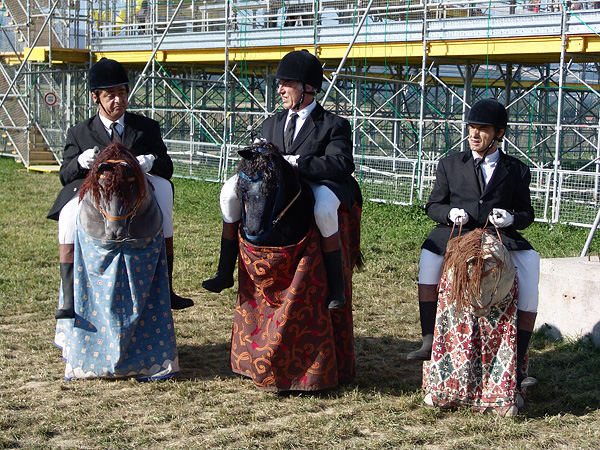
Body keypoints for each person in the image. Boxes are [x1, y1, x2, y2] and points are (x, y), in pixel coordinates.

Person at [202, 49, 361, 310]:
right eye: (280, 84)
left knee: (322, 209)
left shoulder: (334, 124)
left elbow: (342, 164)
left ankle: (336, 287)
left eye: (286, 84)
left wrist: (297, 162)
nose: (280, 90)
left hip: (319, 182)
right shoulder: (270, 124)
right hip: (281, 185)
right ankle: (224, 271)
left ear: (307, 88)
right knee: (230, 191)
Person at [407, 98, 540, 389]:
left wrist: (511, 218)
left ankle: (517, 361)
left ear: (499, 134)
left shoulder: (516, 170)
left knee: (531, 265)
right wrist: (448, 213)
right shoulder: (450, 164)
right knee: (428, 261)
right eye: (471, 128)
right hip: (456, 233)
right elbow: (433, 205)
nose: (474, 135)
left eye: (482, 129)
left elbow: (527, 213)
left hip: (499, 235)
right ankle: (428, 338)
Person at [48, 57, 193, 319]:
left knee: (164, 190)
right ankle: (68, 298)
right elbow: (64, 174)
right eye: (111, 95)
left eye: (123, 93)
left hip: (135, 186)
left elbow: (167, 166)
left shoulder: (146, 127)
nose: (118, 100)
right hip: (93, 189)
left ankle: (168, 288)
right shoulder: (80, 132)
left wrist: (151, 162)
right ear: (96, 97)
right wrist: (81, 163)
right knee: (68, 216)